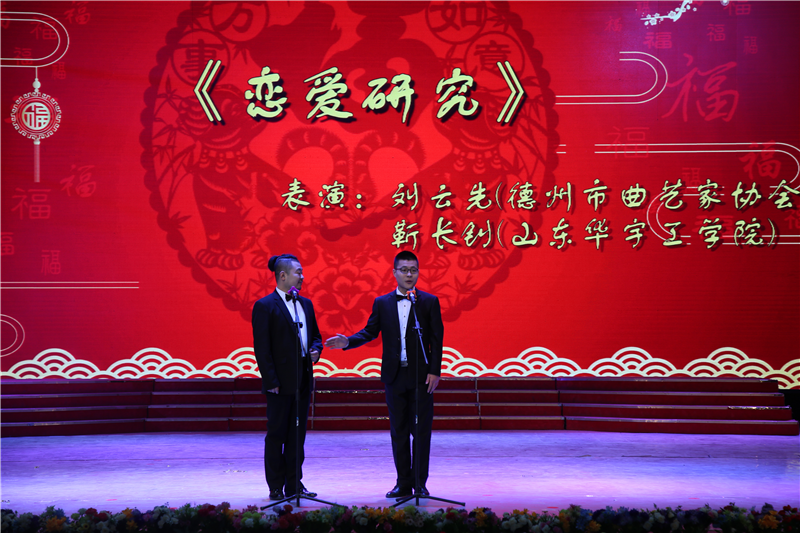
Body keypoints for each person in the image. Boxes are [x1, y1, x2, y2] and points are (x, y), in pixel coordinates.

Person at [325, 250, 443, 498]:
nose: (409, 274)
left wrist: (435, 371)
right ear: (394, 273)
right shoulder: (382, 303)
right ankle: (403, 483)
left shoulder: (429, 302)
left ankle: (420, 483)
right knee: (399, 431)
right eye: (404, 270)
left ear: (418, 272)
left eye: (413, 270)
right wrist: (348, 342)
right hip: (394, 376)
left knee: (421, 432)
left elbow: (436, 339)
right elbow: (369, 332)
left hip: (421, 377)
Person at [252, 253, 322, 501]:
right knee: (277, 435)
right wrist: (271, 381)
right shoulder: (265, 306)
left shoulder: (306, 304)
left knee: (297, 435)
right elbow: (262, 348)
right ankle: (275, 486)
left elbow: (316, 336)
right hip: (279, 384)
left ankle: (294, 483)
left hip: (302, 379)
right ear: (283, 275)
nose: (302, 277)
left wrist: (316, 350)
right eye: (298, 272)